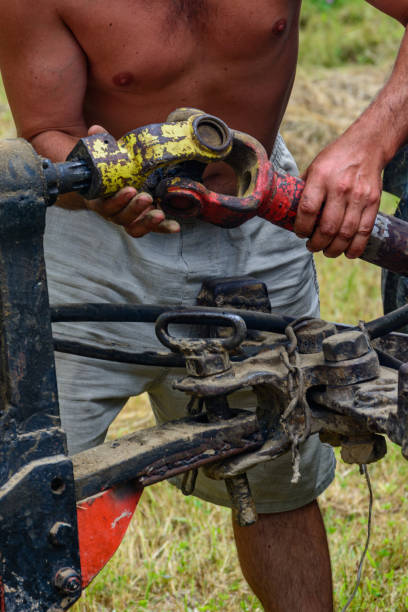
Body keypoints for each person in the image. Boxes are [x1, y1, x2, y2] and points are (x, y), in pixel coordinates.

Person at [0, 2, 407, 610]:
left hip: (257, 227)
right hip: (90, 254)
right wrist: (102, 188)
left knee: (280, 484)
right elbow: (47, 129)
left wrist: (368, 143)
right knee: (23, 495)